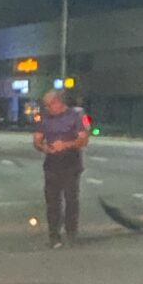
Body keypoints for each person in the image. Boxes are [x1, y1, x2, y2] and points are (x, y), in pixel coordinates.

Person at [33, 90, 90, 248]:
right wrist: (43, 147)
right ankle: (54, 235)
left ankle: (71, 232)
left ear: (58, 102)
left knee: (71, 199)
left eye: (49, 105)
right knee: (52, 201)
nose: (47, 108)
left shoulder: (74, 116)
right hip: (52, 163)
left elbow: (83, 139)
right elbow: (37, 139)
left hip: (70, 162)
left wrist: (65, 145)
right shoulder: (44, 117)